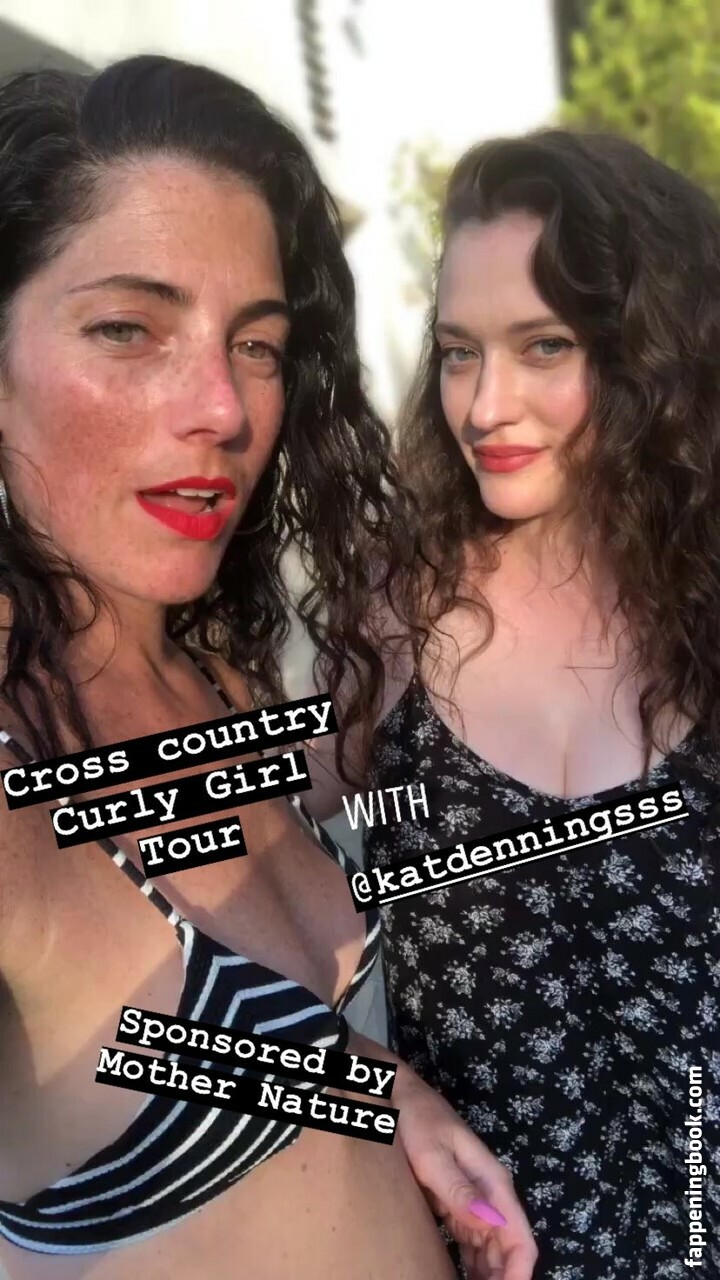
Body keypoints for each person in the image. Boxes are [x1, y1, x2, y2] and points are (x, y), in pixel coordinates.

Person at [0, 56, 538, 1280]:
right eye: (127, 327)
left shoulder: (218, 674)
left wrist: (379, 1091)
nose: (224, 409)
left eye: (257, 343)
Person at [306, 129, 720, 1279]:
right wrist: (370, 1081)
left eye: (545, 345)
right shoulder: (397, 609)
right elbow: (253, 885)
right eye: (458, 352)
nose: (485, 404)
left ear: (652, 354)